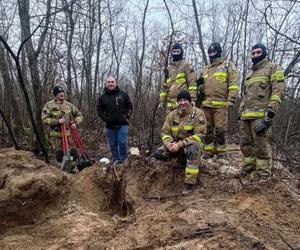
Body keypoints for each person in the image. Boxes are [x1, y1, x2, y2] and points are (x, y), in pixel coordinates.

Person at [239, 43, 285, 181]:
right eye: (253, 53)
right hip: (245, 117)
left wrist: (270, 113)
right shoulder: (250, 74)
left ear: (265, 52)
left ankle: (263, 175)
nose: (255, 55)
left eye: (258, 52)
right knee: (245, 145)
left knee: (261, 146)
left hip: (261, 117)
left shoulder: (272, 68)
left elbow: (278, 90)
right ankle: (249, 168)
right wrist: (240, 112)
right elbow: (246, 96)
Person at [153, 90, 206, 194]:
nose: (182, 103)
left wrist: (180, 145)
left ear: (190, 101)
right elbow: (164, 132)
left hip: (190, 144)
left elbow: (200, 136)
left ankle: (189, 184)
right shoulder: (172, 114)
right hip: (175, 143)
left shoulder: (198, 114)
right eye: (180, 100)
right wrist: (168, 144)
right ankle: (179, 161)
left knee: (193, 149)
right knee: (157, 154)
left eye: (185, 100)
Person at [199, 42, 240, 159]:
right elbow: (199, 86)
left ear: (219, 51)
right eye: (210, 52)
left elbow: (234, 84)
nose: (212, 54)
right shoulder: (206, 69)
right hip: (206, 105)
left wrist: (231, 100)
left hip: (221, 105)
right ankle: (208, 151)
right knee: (207, 130)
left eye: (214, 51)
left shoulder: (227, 66)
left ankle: (221, 152)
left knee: (220, 130)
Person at [42, 85, 83, 163]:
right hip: (56, 136)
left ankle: (72, 171)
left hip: (69, 136)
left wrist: (75, 122)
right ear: (55, 95)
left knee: (74, 154)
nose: (62, 94)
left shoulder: (69, 105)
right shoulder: (48, 105)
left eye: (62, 92)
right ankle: (62, 172)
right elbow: (45, 119)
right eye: (59, 93)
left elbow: (79, 115)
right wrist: (57, 121)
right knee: (60, 158)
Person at [97, 76, 133, 164]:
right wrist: (105, 119)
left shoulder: (123, 94)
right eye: (109, 82)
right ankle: (115, 161)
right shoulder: (103, 97)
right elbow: (99, 109)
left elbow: (130, 106)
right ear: (106, 83)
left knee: (122, 142)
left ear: (115, 83)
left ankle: (123, 160)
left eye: (112, 82)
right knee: (113, 145)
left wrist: (126, 116)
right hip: (110, 125)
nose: (111, 84)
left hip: (122, 124)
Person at [159, 42, 197, 114]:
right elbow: (164, 87)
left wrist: (193, 99)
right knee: (169, 124)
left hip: (183, 104)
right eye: (174, 51)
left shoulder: (186, 66)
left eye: (177, 51)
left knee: (182, 125)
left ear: (181, 52)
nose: (176, 53)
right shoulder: (168, 69)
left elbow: (192, 84)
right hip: (170, 106)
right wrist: (161, 101)